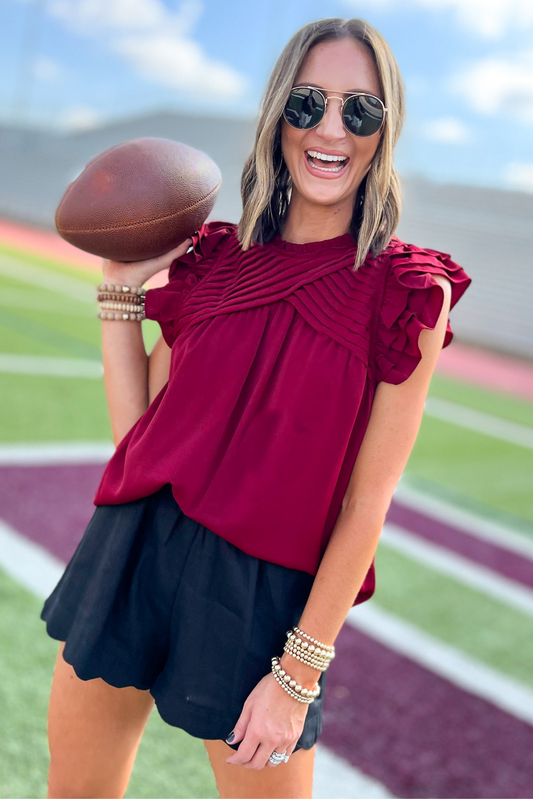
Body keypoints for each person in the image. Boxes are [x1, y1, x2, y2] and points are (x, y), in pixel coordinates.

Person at [40, 16, 471, 799]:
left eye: (359, 110)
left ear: (385, 130)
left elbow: (365, 503)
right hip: (135, 549)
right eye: (307, 103)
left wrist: (299, 669)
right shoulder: (213, 259)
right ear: (279, 116)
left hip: (261, 598)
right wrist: (117, 296)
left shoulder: (409, 291)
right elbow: (142, 443)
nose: (330, 128)